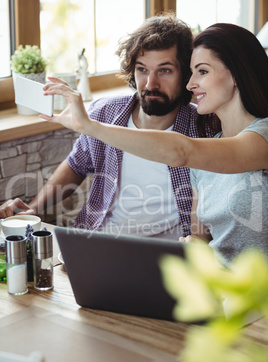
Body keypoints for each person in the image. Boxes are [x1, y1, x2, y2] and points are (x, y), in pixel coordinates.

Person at [39, 23, 268, 264]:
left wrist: (89, 126)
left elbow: (182, 151)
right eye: (192, 72)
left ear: (236, 74)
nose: (191, 84)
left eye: (202, 71)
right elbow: (200, 239)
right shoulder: (208, 149)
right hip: (214, 287)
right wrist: (194, 245)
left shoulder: (260, 135)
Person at [0, 13, 217, 239]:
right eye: (142, 69)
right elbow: (75, 165)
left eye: (165, 70)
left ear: (185, 75)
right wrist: (34, 208)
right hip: (101, 242)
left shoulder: (203, 126)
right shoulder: (105, 113)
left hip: (168, 254)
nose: (150, 84)